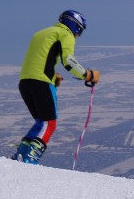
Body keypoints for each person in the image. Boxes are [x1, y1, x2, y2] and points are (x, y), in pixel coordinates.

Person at [11, 10, 100, 164]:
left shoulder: (40, 33)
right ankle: (30, 159)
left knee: (40, 122)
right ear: (76, 26)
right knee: (49, 123)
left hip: (25, 82)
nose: (78, 36)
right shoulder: (66, 34)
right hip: (42, 82)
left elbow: (40, 60)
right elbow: (68, 61)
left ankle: (21, 154)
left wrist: (53, 76)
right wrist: (87, 74)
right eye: (80, 31)